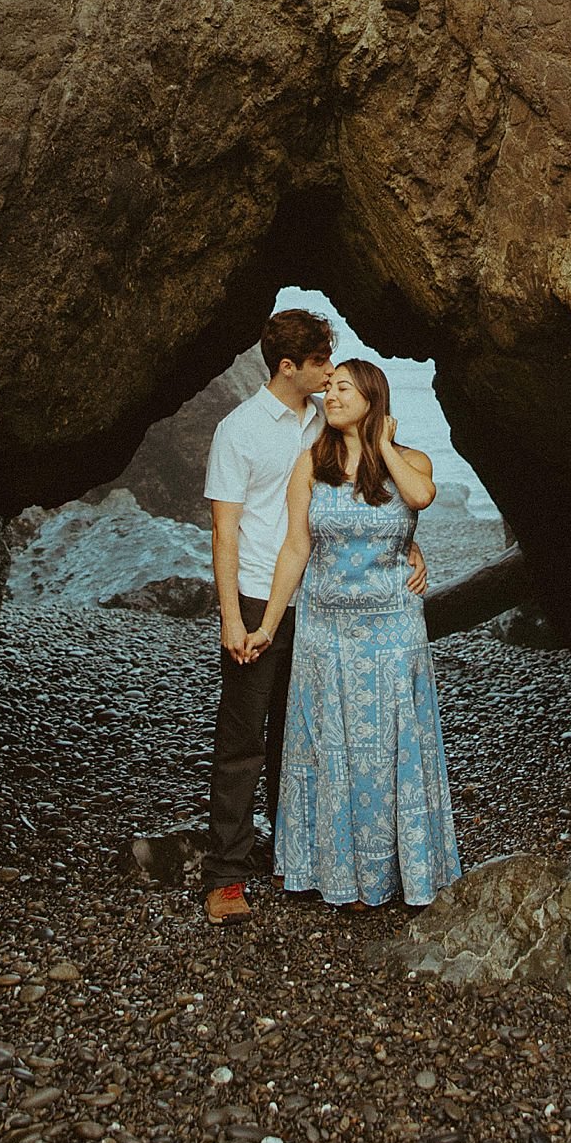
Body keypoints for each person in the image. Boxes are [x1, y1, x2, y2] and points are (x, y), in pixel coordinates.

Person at [202, 310, 427, 924]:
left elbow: (368, 495)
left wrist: (406, 542)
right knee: (244, 738)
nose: (332, 375)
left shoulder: (324, 423)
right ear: (288, 367)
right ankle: (226, 875)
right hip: (255, 596)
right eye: (324, 364)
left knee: (301, 738)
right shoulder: (239, 431)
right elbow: (224, 531)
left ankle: (294, 856)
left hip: (319, 603)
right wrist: (231, 618)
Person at [247, 357, 461, 910]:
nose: (331, 396)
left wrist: (384, 446)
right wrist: (269, 623)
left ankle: (395, 874)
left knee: (388, 750)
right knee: (329, 750)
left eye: (344, 388)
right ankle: (329, 871)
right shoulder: (310, 465)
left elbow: (420, 498)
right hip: (325, 631)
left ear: (372, 398)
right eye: (331, 386)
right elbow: (297, 547)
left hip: (392, 632)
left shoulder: (410, 460)